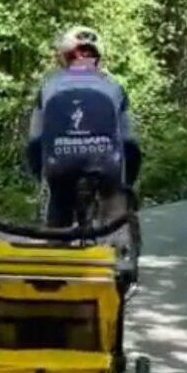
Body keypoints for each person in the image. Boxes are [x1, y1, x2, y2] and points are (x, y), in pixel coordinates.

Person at [25, 26, 142, 238]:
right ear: (99, 57)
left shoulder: (48, 86)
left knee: (59, 197)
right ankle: (120, 247)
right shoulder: (114, 86)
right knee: (115, 194)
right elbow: (129, 139)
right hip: (105, 163)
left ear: (64, 56)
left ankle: (56, 241)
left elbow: (35, 138)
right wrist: (128, 182)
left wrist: (41, 176)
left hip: (60, 163)